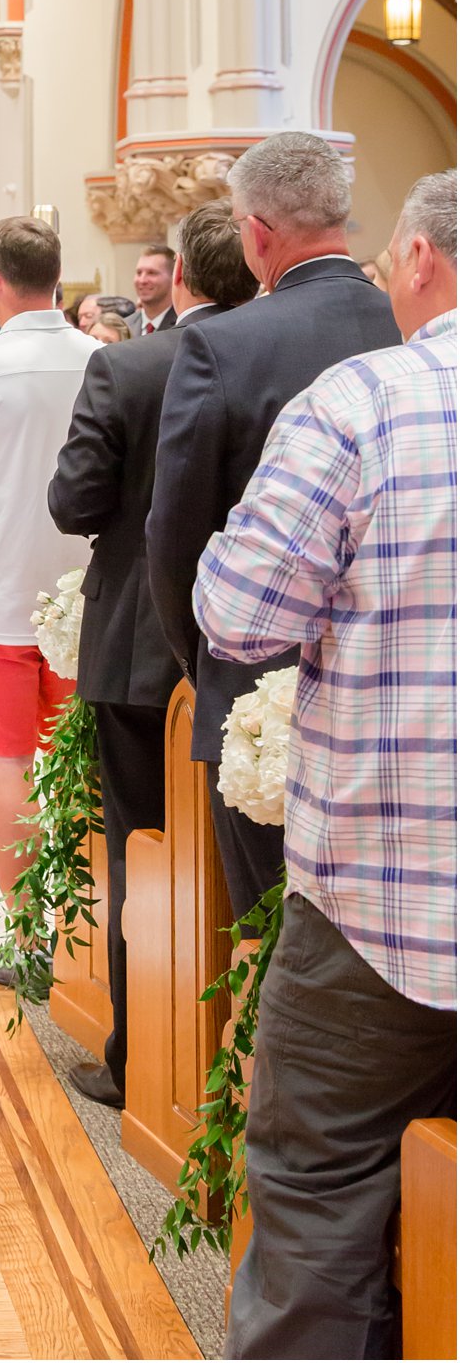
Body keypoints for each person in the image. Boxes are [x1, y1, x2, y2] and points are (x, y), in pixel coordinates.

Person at [196, 171, 456, 1361]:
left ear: (411, 258)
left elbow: (241, 615)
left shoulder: (364, 403)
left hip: (385, 900)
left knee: (314, 1185)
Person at [147, 131, 402, 920]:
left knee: (267, 931)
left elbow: (175, 531)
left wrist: (205, 661)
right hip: (403, 684)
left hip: (260, 688)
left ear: (255, 235)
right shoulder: (412, 326)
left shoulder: (222, 344)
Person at [48, 200, 258, 1106]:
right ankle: (240, 1066)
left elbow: (75, 503)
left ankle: (142, 1057)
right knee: (249, 855)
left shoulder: (127, 365)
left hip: (138, 643)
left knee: (140, 847)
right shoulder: (280, 356)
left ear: (177, 276)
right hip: (257, 646)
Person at [0, 216, 97, 926]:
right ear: (57, 278)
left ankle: (26, 931)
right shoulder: (105, 360)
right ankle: (89, 934)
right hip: (85, 597)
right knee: (83, 761)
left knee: (5, 762)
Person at [126, 247, 176, 336]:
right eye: (139, 273)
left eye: (152, 273)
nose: (142, 280)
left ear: (173, 277)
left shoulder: (183, 326)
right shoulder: (125, 326)